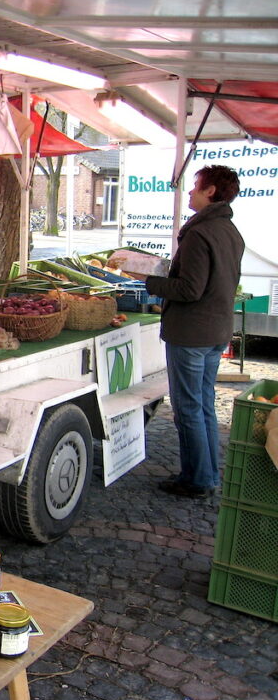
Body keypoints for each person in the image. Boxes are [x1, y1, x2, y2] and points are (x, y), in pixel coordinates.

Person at [145, 165, 245, 498]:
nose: (189, 193)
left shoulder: (200, 233)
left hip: (192, 333)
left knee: (189, 408)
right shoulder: (230, 231)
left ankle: (198, 480)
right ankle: (206, 474)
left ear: (211, 192)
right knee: (203, 405)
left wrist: (149, 281)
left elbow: (190, 289)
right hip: (216, 331)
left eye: (196, 187)